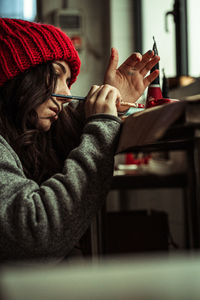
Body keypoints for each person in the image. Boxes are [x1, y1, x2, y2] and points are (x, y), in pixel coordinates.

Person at [0, 18, 159, 262]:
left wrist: (112, 103)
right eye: (57, 75)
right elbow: (35, 233)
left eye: (69, 81)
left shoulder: (22, 133)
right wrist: (102, 126)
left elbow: (61, 130)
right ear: (16, 76)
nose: (66, 94)